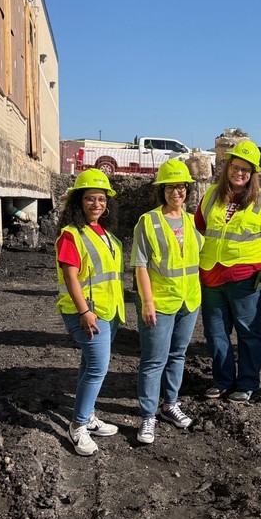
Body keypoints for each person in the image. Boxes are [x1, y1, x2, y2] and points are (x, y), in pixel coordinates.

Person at [195, 140, 261, 402]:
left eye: (246, 170)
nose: (239, 173)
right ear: (227, 168)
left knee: (248, 331)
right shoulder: (211, 195)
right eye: (236, 167)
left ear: (253, 174)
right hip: (211, 275)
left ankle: (247, 383)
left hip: (245, 278)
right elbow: (199, 231)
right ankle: (223, 380)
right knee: (215, 331)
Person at [131, 160, 204, 445]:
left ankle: (169, 404)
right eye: (171, 187)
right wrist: (146, 303)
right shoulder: (148, 221)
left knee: (177, 355)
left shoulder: (190, 219)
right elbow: (139, 265)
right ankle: (148, 415)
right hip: (160, 302)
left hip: (189, 300)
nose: (177, 192)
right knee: (153, 360)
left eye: (182, 187)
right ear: (162, 190)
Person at [55, 169, 126, 456]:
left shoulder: (105, 234)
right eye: (89, 199)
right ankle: (78, 425)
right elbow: (71, 277)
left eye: (101, 199)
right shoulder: (72, 235)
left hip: (108, 312)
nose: (97, 204)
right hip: (86, 313)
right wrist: (84, 311)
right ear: (78, 202)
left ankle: (89, 416)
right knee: (97, 368)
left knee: (90, 365)